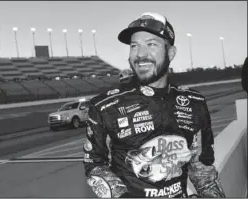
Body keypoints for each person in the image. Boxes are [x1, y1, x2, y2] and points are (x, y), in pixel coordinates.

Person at [83, 12, 226, 198]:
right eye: (134, 46)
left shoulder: (194, 102)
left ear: (171, 53)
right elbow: (95, 165)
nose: (140, 54)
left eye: (151, 44)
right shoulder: (105, 106)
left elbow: (202, 167)